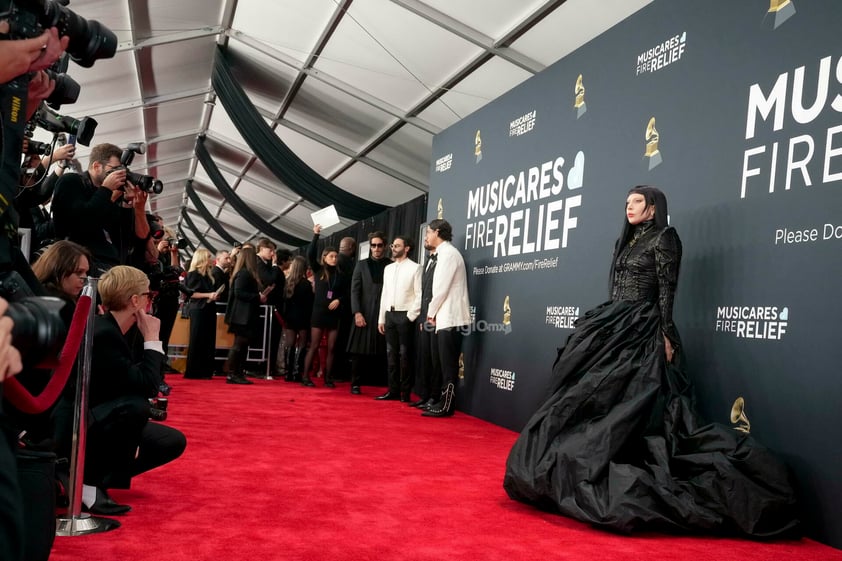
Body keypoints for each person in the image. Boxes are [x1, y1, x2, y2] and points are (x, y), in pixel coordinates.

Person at [503, 186, 799, 537]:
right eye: (626, 202)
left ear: (653, 206)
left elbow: (667, 290)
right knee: (583, 393)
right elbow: (616, 288)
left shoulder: (665, 238)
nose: (629, 208)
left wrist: (666, 335)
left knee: (638, 401)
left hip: (644, 326)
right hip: (613, 323)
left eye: (637, 202)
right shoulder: (626, 240)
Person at [85, 266, 187, 513]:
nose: (150, 301)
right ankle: (86, 482)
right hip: (85, 422)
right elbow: (149, 385)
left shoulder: (112, 328)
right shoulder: (104, 333)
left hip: (100, 415)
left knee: (170, 440)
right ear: (135, 300)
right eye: (148, 296)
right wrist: (153, 337)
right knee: (135, 407)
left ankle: (95, 479)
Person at [50, 143, 145, 275]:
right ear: (96, 166)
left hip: (110, 265)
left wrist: (127, 204)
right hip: (80, 265)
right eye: (115, 170)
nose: (119, 175)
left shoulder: (108, 194)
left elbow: (123, 237)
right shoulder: (71, 181)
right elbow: (80, 222)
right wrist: (106, 189)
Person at [420, 219, 470, 418]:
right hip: (446, 317)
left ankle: (446, 405)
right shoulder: (444, 254)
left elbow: (439, 289)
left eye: (428, 232)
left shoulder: (448, 254)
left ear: (437, 232)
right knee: (443, 364)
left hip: (451, 317)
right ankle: (443, 401)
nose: (426, 237)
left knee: (448, 365)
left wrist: (430, 313)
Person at [301, 225, 350, 388]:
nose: (334, 259)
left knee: (331, 348)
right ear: (324, 258)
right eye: (331, 256)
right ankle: (306, 377)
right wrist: (316, 234)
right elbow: (310, 254)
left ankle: (328, 378)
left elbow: (346, 293)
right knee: (314, 345)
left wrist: (339, 300)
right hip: (318, 313)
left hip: (334, 314)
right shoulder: (318, 270)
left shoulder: (341, 275)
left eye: (336, 256)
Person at [377, 235, 422, 401]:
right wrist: (381, 318)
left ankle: (406, 393)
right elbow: (385, 294)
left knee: (405, 356)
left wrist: (410, 317)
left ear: (407, 248)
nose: (393, 248)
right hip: (389, 315)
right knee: (391, 355)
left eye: (396, 246)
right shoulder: (388, 269)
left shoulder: (416, 268)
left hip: (405, 316)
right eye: (392, 246)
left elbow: (419, 295)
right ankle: (393, 390)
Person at [347, 231, 389, 396]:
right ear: (370, 247)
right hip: (364, 312)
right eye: (373, 245)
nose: (376, 248)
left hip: (383, 313)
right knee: (358, 351)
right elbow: (354, 291)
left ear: (384, 247)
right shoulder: (361, 264)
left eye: (379, 245)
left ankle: (384, 383)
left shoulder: (391, 265)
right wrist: (357, 312)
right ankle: (355, 383)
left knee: (385, 350)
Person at [223, 246, 266, 385]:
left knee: (242, 345)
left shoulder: (244, 273)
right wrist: (257, 297)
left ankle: (237, 372)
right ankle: (232, 373)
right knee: (239, 345)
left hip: (244, 315)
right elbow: (239, 293)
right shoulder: (244, 273)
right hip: (242, 315)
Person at [183, 249, 220, 379]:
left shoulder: (208, 276)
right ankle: (194, 371)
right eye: (209, 257)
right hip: (198, 309)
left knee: (208, 339)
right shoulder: (193, 274)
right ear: (203, 258)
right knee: (197, 339)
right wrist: (209, 295)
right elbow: (191, 293)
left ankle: (205, 371)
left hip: (208, 309)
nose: (211, 259)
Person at [256, 238, 284, 379]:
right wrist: (274, 265)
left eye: (274, 251)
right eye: (270, 250)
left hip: (269, 306)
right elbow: (269, 280)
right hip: (263, 308)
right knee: (264, 339)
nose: (272, 253)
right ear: (261, 248)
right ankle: (261, 368)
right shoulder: (259, 262)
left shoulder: (263, 263)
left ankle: (267, 367)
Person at [282, 256, 313, 382]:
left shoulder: (287, 282)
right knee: (302, 344)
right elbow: (310, 303)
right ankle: (297, 371)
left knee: (289, 344)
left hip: (289, 317)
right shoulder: (306, 284)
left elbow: (284, 302)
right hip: (303, 317)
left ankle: (288, 372)